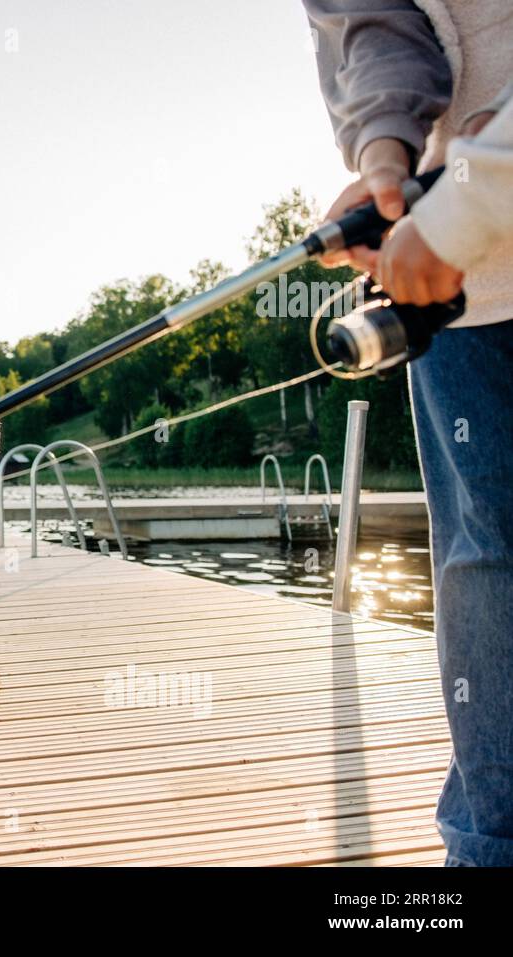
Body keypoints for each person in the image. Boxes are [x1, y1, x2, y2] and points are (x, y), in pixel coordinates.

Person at [304, 0, 513, 866]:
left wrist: (470, 196)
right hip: (465, 290)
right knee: (484, 562)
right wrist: (388, 154)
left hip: (463, 230)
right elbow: (370, 21)